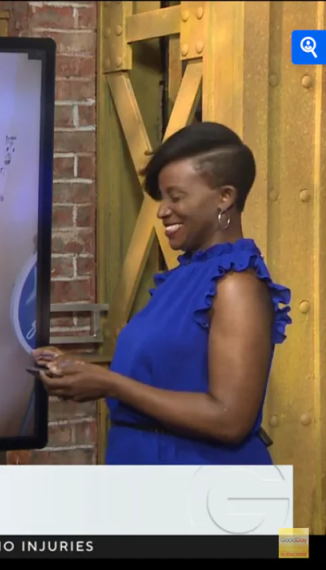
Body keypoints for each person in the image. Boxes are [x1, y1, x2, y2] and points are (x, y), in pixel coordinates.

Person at [33, 122, 291, 464]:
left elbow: (230, 420)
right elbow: (167, 373)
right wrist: (79, 369)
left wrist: (109, 384)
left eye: (176, 196)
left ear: (225, 197)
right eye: (162, 197)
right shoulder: (184, 277)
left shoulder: (236, 285)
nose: (162, 210)